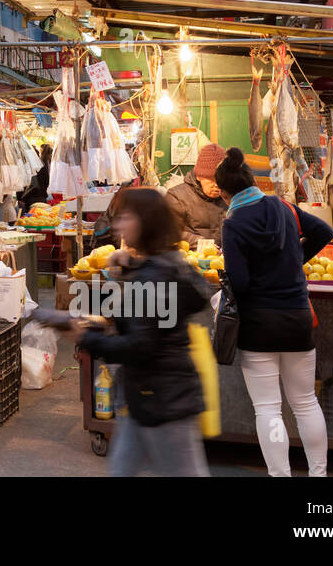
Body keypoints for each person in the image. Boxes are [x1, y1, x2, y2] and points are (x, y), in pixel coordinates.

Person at [74, 187, 211, 476]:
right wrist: (132, 268)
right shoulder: (166, 264)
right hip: (147, 398)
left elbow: (139, 346)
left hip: (164, 402)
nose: (118, 225)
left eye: (126, 218)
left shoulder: (155, 276)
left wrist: (86, 337)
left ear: (144, 222)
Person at [215, 146, 333, 477]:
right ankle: (318, 474)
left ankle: (280, 475)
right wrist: (295, 258)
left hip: (259, 325)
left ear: (225, 193)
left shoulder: (234, 223)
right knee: (306, 402)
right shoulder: (283, 207)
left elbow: (240, 281)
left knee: (269, 409)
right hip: (297, 318)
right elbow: (323, 231)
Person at [164, 143, 228, 245]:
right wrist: (200, 243)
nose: (217, 185)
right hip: (189, 258)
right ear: (199, 176)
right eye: (212, 179)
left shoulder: (230, 198)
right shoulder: (176, 197)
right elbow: (168, 231)